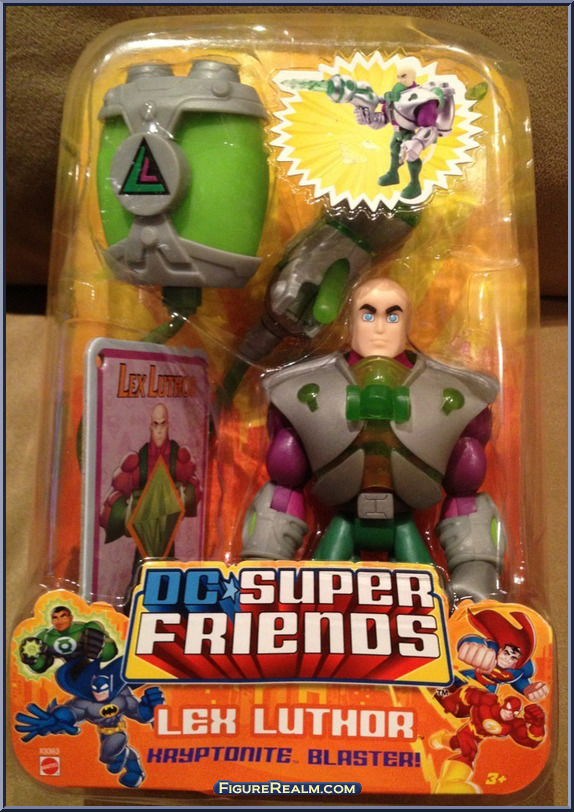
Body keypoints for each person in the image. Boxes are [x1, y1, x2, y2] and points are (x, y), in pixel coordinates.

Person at [242, 276, 506, 605]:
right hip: (343, 518)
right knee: (316, 599)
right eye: (368, 315)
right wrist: (263, 568)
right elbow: (284, 487)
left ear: (407, 323)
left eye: (392, 316)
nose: (379, 328)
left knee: (431, 602)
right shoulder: (304, 386)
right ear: (350, 321)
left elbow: (465, 493)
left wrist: (476, 573)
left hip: (405, 521)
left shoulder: (453, 392)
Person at [19, 605, 117, 675]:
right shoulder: (45, 636)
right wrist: (31, 659)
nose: (60, 621)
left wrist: (103, 646)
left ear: (70, 618)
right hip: (68, 675)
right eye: (55, 618)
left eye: (63, 616)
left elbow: (108, 654)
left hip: (91, 672)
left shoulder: (86, 628)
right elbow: (40, 666)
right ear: (52, 621)